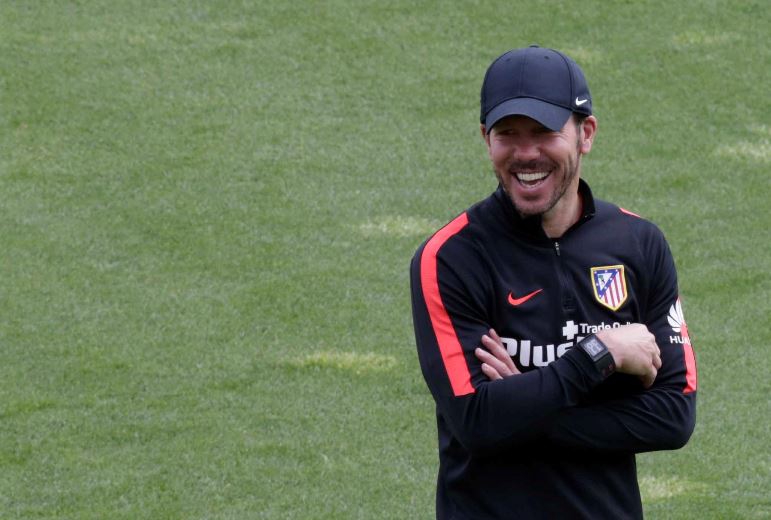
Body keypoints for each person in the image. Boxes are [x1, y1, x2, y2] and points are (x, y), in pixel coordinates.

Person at [410, 45, 697, 519]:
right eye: (507, 134)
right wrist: (600, 356)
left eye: (544, 133)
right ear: (486, 138)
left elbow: (673, 416)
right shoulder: (450, 258)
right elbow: (477, 421)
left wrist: (526, 402)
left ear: (586, 134)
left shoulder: (639, 244)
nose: (525, 154)